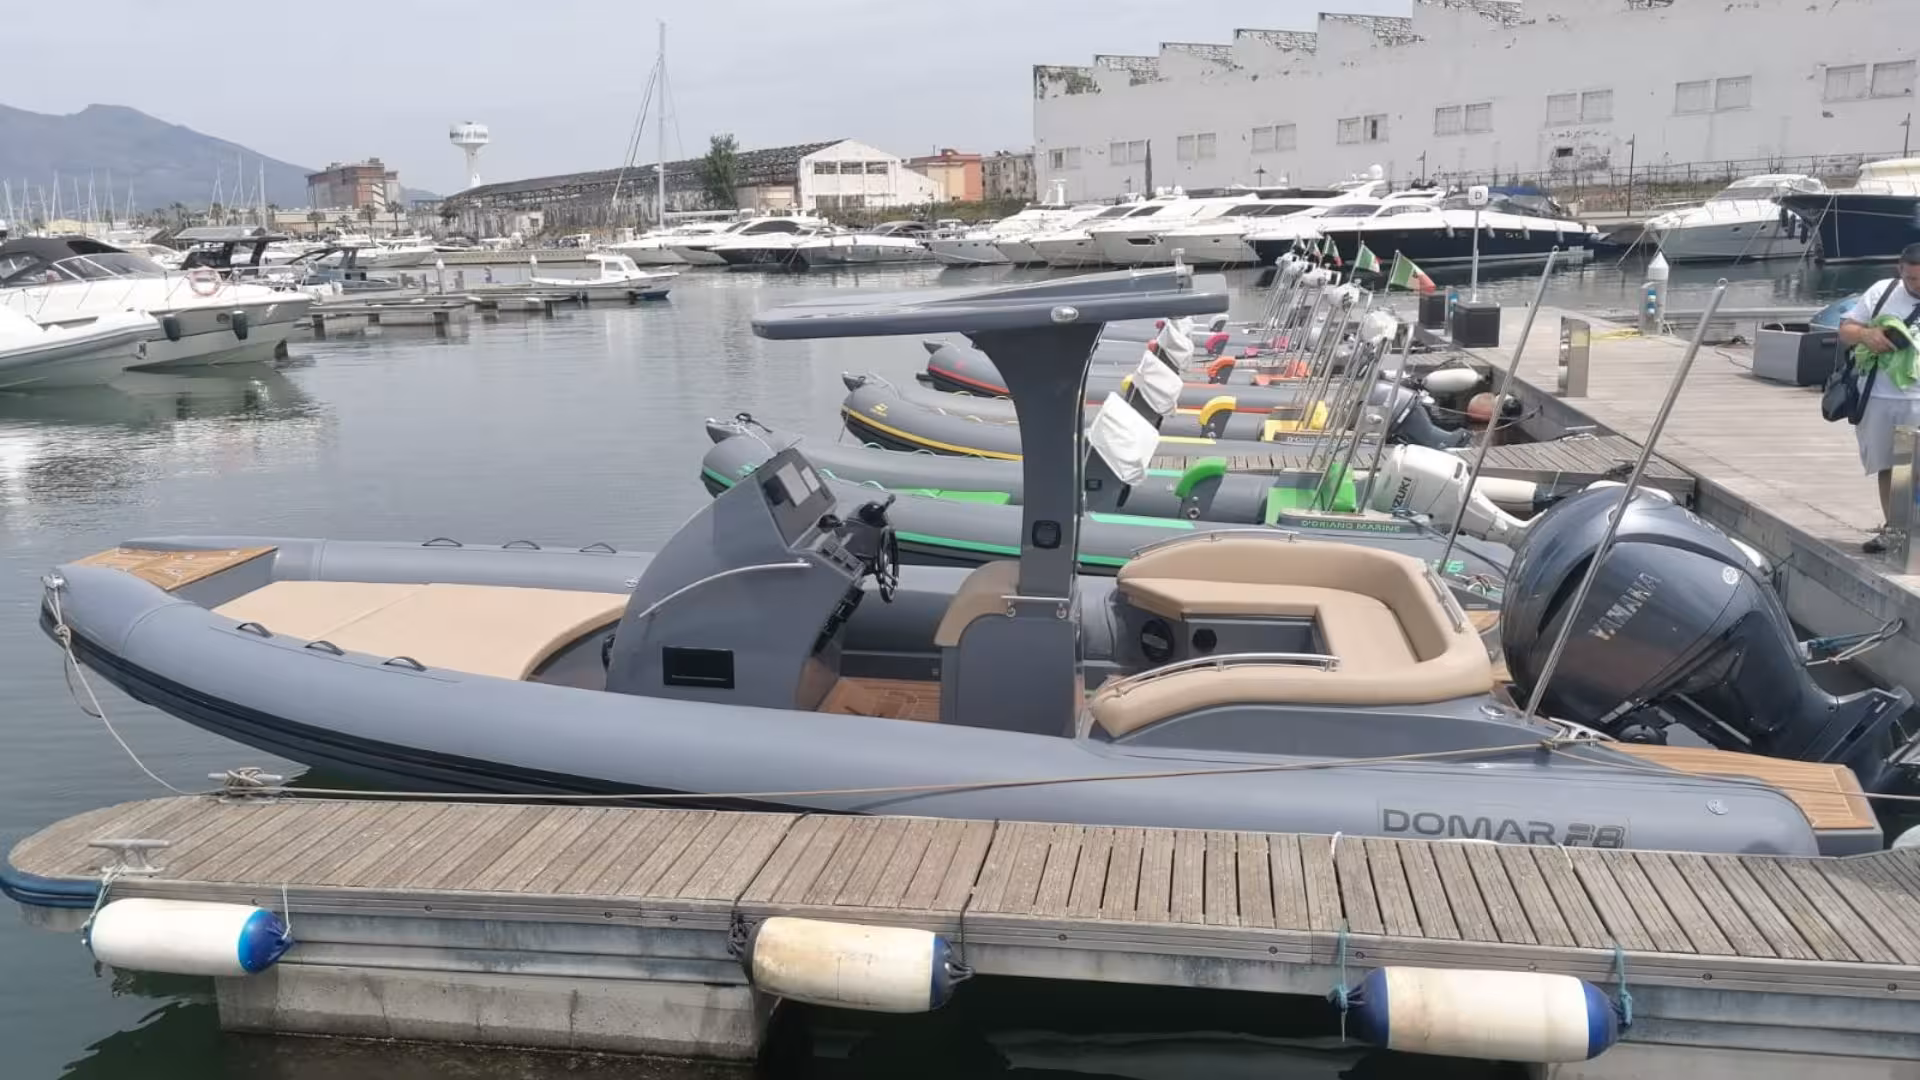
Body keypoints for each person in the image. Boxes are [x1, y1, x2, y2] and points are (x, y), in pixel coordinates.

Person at [1836, 242, 1920, 553]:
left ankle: (1913, 533)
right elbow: (1846, 330)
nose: (1917, 286)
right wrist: (1866, 334)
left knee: (1915, 468)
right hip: (1879, 396)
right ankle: (1895, 532)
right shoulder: (1882, 291)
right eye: (1912, 279)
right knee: (1889, 466)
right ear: (1900, 270)